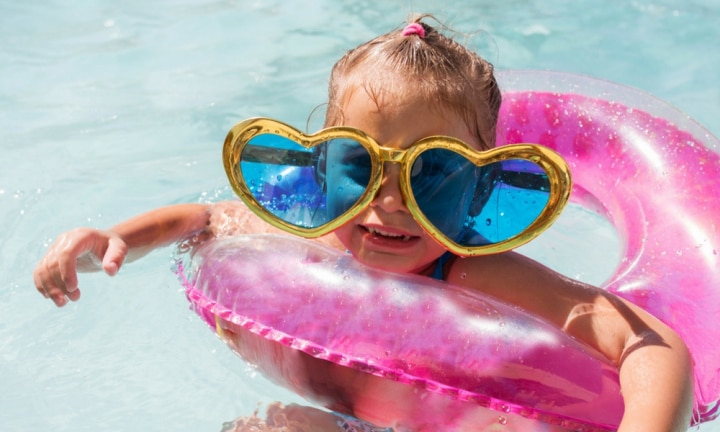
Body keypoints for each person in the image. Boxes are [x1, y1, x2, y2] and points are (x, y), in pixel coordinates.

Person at [33, 15, 694, 432]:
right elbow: (204, 219)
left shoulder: (474, 272)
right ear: (319, 168)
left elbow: (651, 344)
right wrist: (114, 238)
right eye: (357, 166)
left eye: (432, 177)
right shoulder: (309, 240)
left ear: (478, 190)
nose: (391, 203)